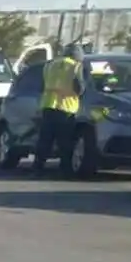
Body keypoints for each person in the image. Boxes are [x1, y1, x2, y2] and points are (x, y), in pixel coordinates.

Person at [33, 42, 85, 175]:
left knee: (45, 140)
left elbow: (42, 84)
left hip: (48, 105)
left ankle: (37, 167)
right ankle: (65, 169)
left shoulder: (50, 65)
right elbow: (79, 87)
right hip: (66, 108)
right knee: (65, 142)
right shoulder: (75, 66)